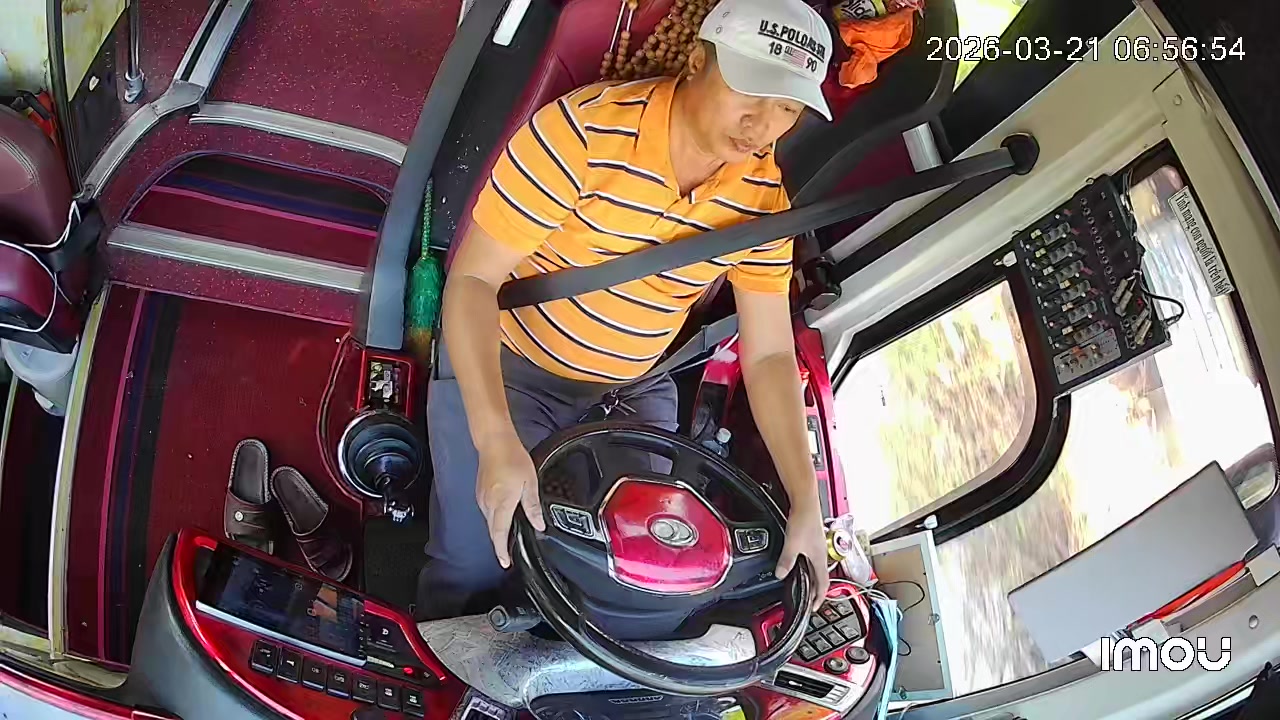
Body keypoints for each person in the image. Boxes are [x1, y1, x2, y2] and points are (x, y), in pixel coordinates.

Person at [417, 0, 834, 621]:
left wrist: (806, 502)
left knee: (640, 574)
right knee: (480, 557)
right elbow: (473, 281)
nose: (762, 126)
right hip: (514, 364)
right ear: (697, 60)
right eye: (751, 92)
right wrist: (496, 438)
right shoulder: (581, 136)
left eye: (788, 109)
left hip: (632, 390)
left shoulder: (764, 202)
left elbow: (771, 353)